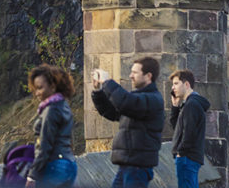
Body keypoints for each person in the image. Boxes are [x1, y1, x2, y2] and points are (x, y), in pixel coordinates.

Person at [90, 57, 164, 188]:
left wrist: (107, 81)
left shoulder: (153, 99)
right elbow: (111, 112)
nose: (130, 76)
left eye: (135, 73)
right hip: (127, 164)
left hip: (138, 167)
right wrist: (98, 91)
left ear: (148, 76)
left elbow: (125, 102)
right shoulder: (137, 99)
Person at [23, 65, 76, 188]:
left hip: (54, 166)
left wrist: (32, 176)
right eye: (35, 89)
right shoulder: (64, 105)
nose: (36, 93)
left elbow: (45, 145)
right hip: (69, 164)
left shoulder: (50, 110)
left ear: (52, 87)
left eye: (40, 88)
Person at [168, 70, 208, 188]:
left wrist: (181, 152)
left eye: (176, 83)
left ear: (186, 85)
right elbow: (178, 130)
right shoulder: (189, 104)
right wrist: (175, 107)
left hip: (187, 157)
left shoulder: (191, 105)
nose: (173, 87)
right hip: (189, 157)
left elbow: (189, 133)